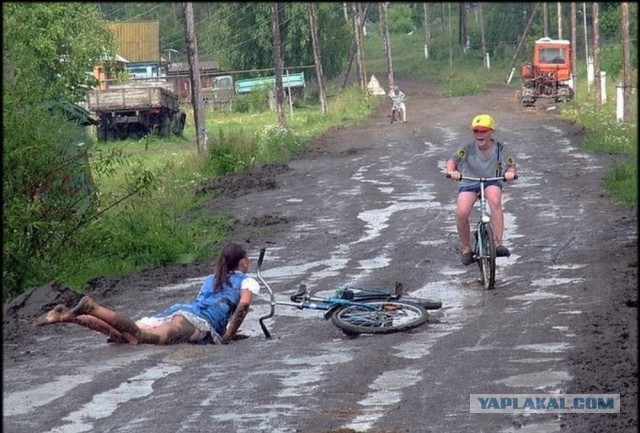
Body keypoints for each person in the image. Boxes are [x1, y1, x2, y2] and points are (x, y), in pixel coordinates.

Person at [34, 242, 261, 345]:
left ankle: (70, 316)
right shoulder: (246, 281)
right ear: (242, 262)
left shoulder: (212, 278)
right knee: (145, 339)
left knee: (124, 335)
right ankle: (93, 308)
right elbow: (242, 308)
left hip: (181, 311)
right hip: (198, 323)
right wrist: (229, 336)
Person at [445, 114, 517, 266]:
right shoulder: (467, 147)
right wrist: (452, 172)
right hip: (469, 181)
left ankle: (498, 243)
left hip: (492, 180)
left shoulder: (500, 148)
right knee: (461, 211)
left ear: (492, 132)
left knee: (495, 199)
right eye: (476, 131)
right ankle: (466, 249)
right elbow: (452, 162)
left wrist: (510, 173)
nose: (479, 134)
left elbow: (511, 165)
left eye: (483, 131)